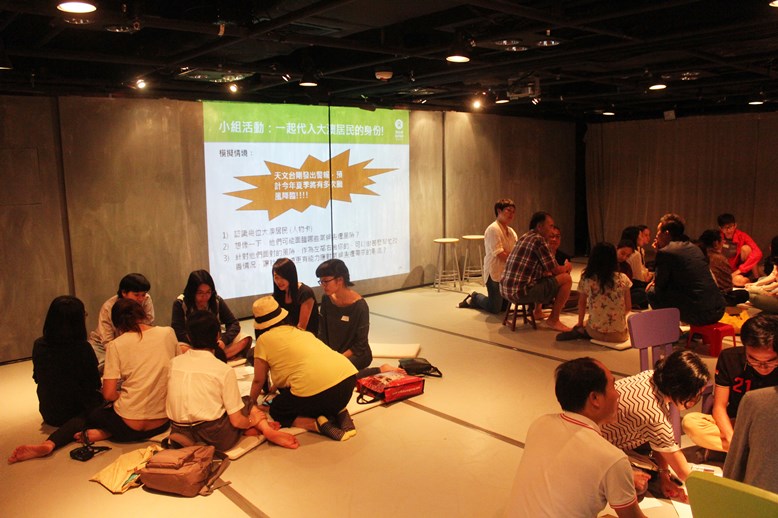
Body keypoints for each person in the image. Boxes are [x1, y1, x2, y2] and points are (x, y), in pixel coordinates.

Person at [8, 299, 179, 463]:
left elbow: (108, 394)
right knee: (97, 405)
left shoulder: (114, 345)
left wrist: (121, 396)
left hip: (117, 426)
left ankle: (51, 443)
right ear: (143, 314)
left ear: (117, 324)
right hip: (161, 424)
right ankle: (105, 433)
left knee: (91, 413)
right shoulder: (167, 333)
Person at [504, 357, 647, 518]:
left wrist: (621, 477)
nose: (618, 394)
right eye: (613, 386)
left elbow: (565, 472)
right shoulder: (613, 458)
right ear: (595, 399)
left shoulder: (540, 423)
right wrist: (619, 476)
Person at [166, 310, 298, 451]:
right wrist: (251, 421)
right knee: (246, 402)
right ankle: (267, 430)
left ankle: (248, 430)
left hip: (178, 432)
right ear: (218, 336)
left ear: (188, 337)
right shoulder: (222, 369)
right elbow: (236, 420)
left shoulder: (174, 363)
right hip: (215, 436)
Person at [601, 350, 710, 501]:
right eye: (695, 395)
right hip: (598, 450)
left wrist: (664, 475)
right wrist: (710, 495)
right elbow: (683, 472)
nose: (695, 400)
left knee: (650, 467)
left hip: (604, 435)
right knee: (639, 486)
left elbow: (658, 440)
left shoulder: (650, 376)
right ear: (680, 389)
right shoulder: (654, 414)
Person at [249, 296, 358, 442]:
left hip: (319, 395)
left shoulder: (263, 341)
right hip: (348, 383)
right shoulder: (300, 332)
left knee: (278, 408)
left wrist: (250, 404)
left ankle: (316, 424)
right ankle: (338, 410)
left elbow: (258, 380)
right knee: (314, 389)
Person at [682, 314, 778, 452]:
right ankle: (752, 452)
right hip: (738, 423)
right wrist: (731, 439)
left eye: (771, 361)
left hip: (772, 426)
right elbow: (719, 407)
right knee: (691, 422)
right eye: (754, 360)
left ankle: (747, 452)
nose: (762, 367)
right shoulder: (730, 358)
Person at [33, 296, 102, 427]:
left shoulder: (39, 344)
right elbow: (94, 384)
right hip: (78, 412)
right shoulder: (83, 348)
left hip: (49, 413)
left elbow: (37, 377)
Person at [646, 214, 725, 326]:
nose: (656, 235)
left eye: (658, 232)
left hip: (700, 314)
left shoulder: (666, 252)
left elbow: (660, 284)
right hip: (719, 308)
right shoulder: (694, 248)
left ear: (666, 233)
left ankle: (670, 330)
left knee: (651, 292)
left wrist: (659, 252)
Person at [500, 211, 573, 332]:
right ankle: (553, 319)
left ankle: (537, 312)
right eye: (550, 226)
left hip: (505, 288)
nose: (552, 231)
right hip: (520, 291)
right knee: (566, 279)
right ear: (539, 226)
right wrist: (567, 266)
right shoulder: (539, 240)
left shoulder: (526, 236)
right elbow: (555, 270)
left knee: (543, 276)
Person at [557, 242, 631, 343]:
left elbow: (582, 303)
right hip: (619, 336)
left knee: (587, 322)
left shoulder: (587, 278)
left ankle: (580, 332)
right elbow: (628, 307)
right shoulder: (623, 278)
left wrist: (580, 324)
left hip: (595, 333)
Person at [171, 269, 251, 362]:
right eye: (200, 293)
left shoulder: (216, 301)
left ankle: (207, 358)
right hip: (193, 344)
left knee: (245, 338)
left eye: (208, 292)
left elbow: (233, 323)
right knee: (180, 348)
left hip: (214, 343)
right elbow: (178, 331)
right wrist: (200, 344)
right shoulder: (180, 303)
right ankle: (218, 357)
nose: (205, 297)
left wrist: (224, 340)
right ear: (192, 291)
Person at [461, 199, 517, 313]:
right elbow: (500, 254)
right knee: (494, 308)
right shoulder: (493, 229)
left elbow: (516, 251)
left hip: (506, 273)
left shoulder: (511, 231)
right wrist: (514, 260)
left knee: (504, 308)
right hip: (494, 272)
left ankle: (479, 300)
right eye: (508, 210)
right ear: (499, 211)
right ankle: (474, 297)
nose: (511, 214)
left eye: (513, 212)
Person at [89, 272, 155, 369]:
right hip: (103, 346)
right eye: (136, 295)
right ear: (124, 293)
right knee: (105, 365)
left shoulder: (146, 299)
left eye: (143, 294)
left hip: (134, 341)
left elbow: (148, 324)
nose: (141, 298)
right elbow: (108, 342)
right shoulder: (109, 307)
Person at [317, 259, 372, 371]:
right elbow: (322, 332)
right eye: (321, 282)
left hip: (356, 354)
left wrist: (338, 358)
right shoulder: (326, 299)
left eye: (326, 281)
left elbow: (360, 344)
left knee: (335, 370)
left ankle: (380, 370)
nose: (323, 285)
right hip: (334, 352)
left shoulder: (360, 306)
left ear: (340, 280)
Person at [723, 386, 778, 494]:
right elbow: (719, 407)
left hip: (755, 500)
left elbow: (734, 469)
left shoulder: (755, 400)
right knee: (693, 422)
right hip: (732, 424)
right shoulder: (755, 400)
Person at [697, 229, 749, 306]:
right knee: (744, 294)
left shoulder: (697, 255)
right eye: (722, 240)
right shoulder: (719, 258)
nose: (723, 242)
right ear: (716, 243)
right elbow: (727, 287)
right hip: (717, 298)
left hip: (698, 295)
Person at [272, 257, 319, 333]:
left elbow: (301, 327)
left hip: (305, 336)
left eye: (283, 277)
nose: (279, 281)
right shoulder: (278, 294)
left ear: (290, 276)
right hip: (287, 334)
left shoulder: (305, 293)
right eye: (276, 277)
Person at [718, 213, 762, 287]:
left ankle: (756, 279)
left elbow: (758, 253)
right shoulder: (717, 237)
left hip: (738, 269)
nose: (728, 230)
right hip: (723, 270)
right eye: (725, 228)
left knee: (747, 249)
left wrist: (740, 270)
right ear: (720, 228)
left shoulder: (742, 236)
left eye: (730, 227)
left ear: (735, 225)